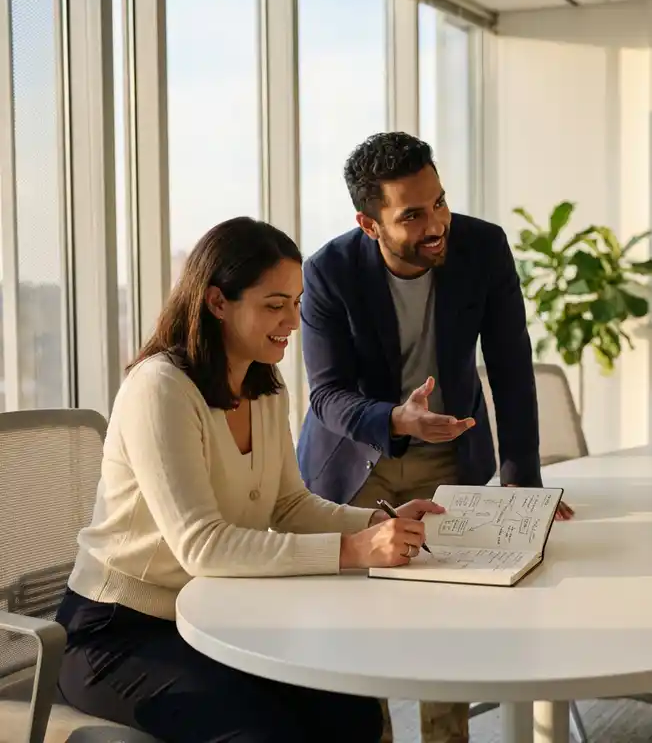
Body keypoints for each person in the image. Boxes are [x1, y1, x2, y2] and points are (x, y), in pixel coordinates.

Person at [54, 217, 446, 743]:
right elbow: (202, 547)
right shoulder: (161, 388)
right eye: (273, 304)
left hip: (211, 618)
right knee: (266, 733)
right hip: (115, 633)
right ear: (218, 302)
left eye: (297, 301)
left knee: (349, 714)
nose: (293, 319)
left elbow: (287, 505)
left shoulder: (265, 386)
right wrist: (353, 550)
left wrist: (381, 522)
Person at [296, 131, 573, 743]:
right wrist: (396, 418)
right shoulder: (327, 271)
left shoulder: (482, 247)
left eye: (439, 203)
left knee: (447, 629)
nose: (436, 224)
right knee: (357, 632)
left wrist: (523, 483)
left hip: (447, 457)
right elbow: (327, 395)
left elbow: (509, 363)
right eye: (413, 214)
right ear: (369, 224)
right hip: (352, 466)